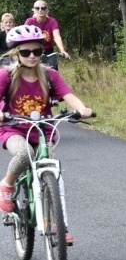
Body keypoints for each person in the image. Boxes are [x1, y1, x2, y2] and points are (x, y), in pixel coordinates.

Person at [0, 25, 92, 245]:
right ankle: (7, 184)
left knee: (53, 168)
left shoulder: (50, 75)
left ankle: (60, 225)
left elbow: (68, 95)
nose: (32, 56)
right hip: (13, 128)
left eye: (37, 51)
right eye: (25, 52)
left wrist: (82, 108)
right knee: (24, 153)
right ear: (16, 54)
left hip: (43, 130)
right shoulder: (6, 75)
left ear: (42, 52)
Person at [24, 0, 70, 70]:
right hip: (34, 51)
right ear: (33, 10)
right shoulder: (29, 21)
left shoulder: (52, 21)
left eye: (43, 8)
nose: (40, 10)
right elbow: (25, 37)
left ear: (47, 10)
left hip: (49, 52)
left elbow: (56, 36)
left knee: (52, 70)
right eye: (37, 8)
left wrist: (62, 50)